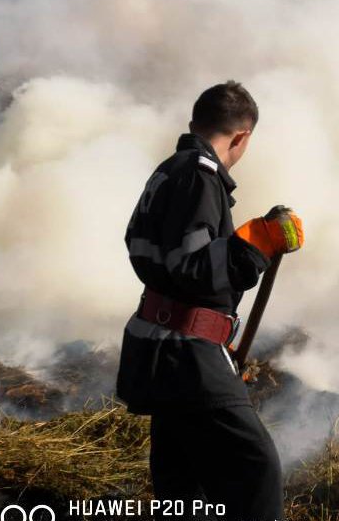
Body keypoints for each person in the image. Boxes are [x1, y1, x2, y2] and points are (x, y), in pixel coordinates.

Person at [116, 81, 303, 521]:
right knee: (256, 468)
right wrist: (258, 242)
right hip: (186, 355)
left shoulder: (169, 171)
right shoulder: (199, 176)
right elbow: (193, 267)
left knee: (183, 481)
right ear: (242, 136)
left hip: (166, 350)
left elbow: (146, 251)